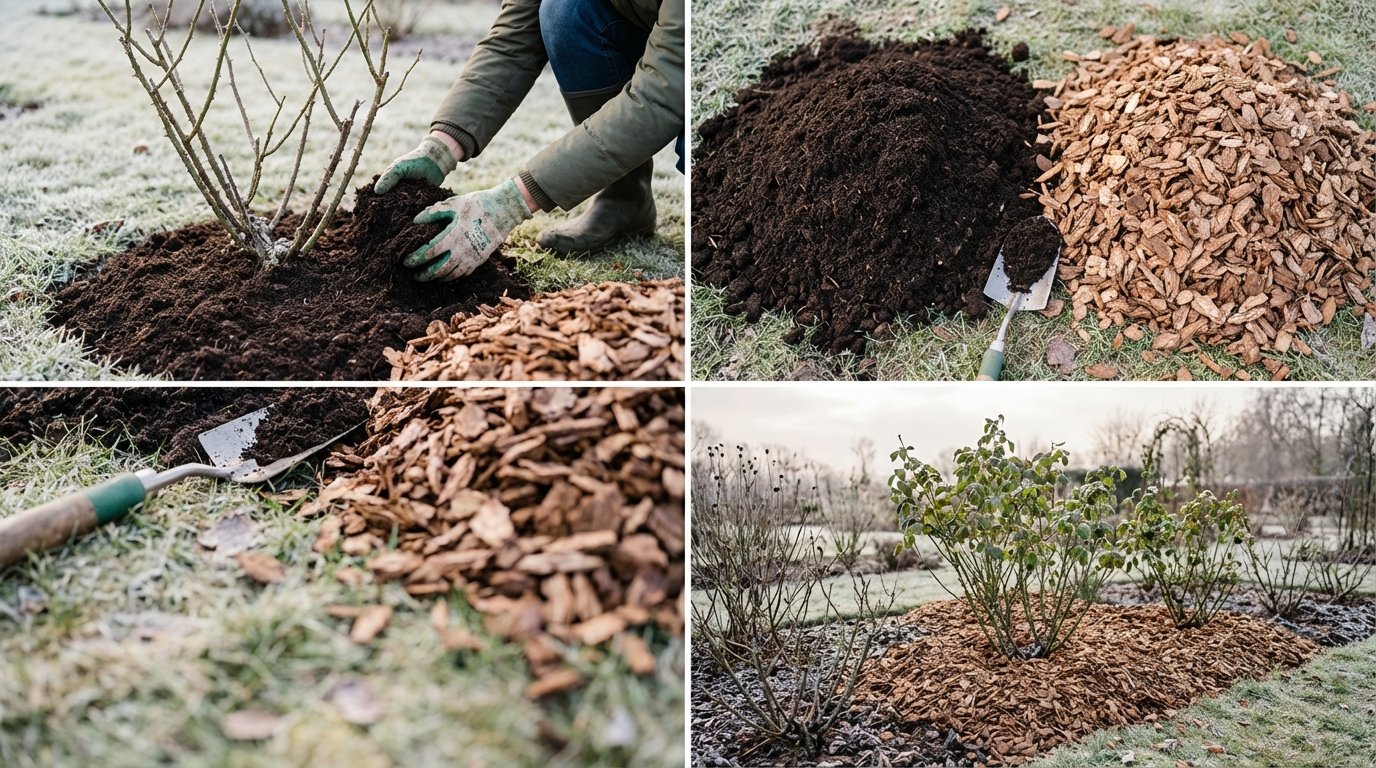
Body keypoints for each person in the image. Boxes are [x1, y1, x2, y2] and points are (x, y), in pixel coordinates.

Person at [374, 0, 684, 282]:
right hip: (646, 26)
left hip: (685, 53)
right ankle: (626, 201)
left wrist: (511, 203)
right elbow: (512, 39)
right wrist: (442, 146)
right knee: (563, 11)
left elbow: (660, 95)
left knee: (699, 146)